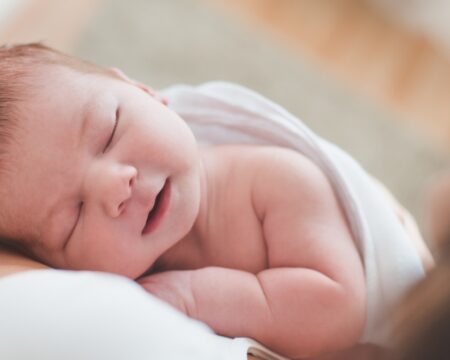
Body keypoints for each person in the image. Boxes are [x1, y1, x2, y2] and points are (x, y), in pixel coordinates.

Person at [0, 43, 433, 359]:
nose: (117, 186)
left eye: (109, 131)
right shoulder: (113, 293)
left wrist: (194, 297)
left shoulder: (275, 179)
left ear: (144, 91)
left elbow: (338, 308)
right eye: (73, 217)